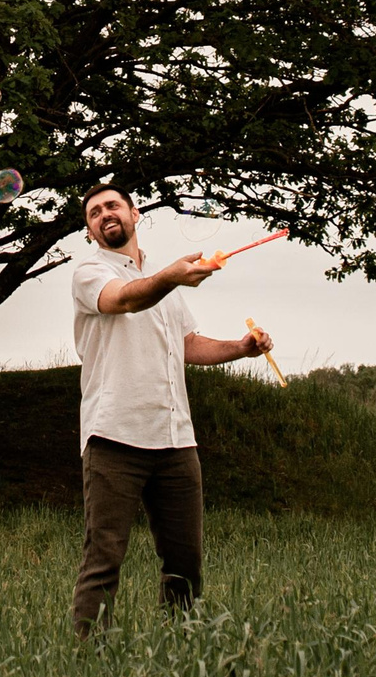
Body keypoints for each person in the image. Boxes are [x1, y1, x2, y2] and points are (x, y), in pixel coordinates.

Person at [67, 183, 273, 635]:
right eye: (95, 212)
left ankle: (178, 650)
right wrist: (171, 278)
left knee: (185, 563)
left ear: (135, 214)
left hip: (176, 439)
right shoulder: (89, 271)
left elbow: (186, 344)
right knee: (104, 559)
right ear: (90, 230)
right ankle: (87, 661)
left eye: (113, 206)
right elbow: (125, 299)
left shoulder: (162, 280)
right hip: (114, 435)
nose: (105, 214)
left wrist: (241, 348)